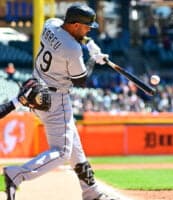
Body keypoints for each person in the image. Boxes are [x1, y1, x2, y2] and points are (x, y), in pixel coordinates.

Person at [3, 3, 120, 200]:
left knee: (75, 149)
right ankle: (16, 174)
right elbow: (81, 81)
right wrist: (94, 59)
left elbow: (76, 36)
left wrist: (90, 44)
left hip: (38, 92)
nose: (88, 29)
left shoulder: (51, 24)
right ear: (74, 25)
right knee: (63, 152)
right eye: (86, 26)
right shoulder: (72, 49)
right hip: (57, 100)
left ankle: (91, 192)